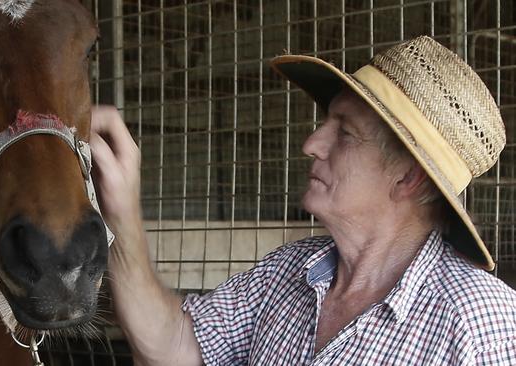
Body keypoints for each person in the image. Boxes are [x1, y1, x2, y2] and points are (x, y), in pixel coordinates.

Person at [89, 35, 516, 365]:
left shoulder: (480, 321)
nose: (312, 143)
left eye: (345, 133)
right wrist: (122, 211)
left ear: (407, 176)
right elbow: (173, 348)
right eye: (324, 123)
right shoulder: (289, 272)